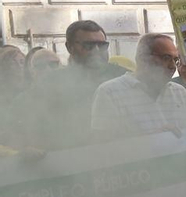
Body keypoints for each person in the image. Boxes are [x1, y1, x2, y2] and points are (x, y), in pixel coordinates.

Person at [20, 20, 126, 150]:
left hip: (119, 157)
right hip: (69, 160)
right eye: (88, 45)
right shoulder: (50, 84)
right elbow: (25, 122)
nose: (97, 51)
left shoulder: (123, 78)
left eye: (102, 45)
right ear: (70, 47)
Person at [89, 32, 186, 141]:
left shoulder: (179, 92)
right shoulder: (109, 92)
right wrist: (149, 141)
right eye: (166, 58)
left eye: (176, 60)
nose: (172, 66)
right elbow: (103, 147)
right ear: (143, 59)